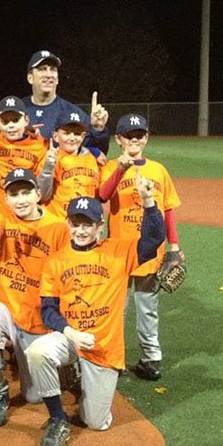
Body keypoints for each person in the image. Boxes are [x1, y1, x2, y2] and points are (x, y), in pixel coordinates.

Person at [26, 184, 165, 446]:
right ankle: (58, 418)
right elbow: (48, 310)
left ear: (99, 226)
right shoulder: (56, 261)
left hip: (103, 348)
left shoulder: (118, 251)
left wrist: (148, 203)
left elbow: (153, 239)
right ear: (68, 224)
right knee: (37, 352)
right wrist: (70, 333)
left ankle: (82, 379)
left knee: (96, 423)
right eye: (76, 224)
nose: (80, 230)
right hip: (70, 338)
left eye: (87, 224)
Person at [0, 168, 70, 427]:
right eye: (13, 194)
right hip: (5, 303)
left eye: (26, 192)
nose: (21, 199)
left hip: (38, 315)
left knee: (34, 397)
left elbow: (67, 274)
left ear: (39, 194)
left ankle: (63, 365)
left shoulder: (58, 227)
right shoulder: (5, 218)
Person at [99, 114, 182, 380]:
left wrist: (174, 246)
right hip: (118, 250)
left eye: (139, 135)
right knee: (116, 308)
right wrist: (121, 168)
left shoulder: (158, 170)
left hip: (150, 250)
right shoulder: (111, 165)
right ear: (118, 139)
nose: (134, 140)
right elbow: (102, 194)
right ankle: (115, 357)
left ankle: (151, 358)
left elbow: (168, 210)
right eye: (128, 135)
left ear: (146, 138)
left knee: (147, 307)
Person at [22, 50, 110, 159]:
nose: (49, 75)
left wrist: (98, 129)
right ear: (30, 78)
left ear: (57, 79)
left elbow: (99, 155)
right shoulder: (17, 112)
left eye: (53, 70)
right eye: (42, 69)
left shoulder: (74, 113)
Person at [0, 95, 48, 217]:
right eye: (5, 121)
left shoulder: (40, 145)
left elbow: (41, 184)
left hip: (24, 212)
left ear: (26, 120)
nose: (11, 125)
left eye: (15, 120)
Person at [38, 107, 100, 220]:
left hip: (84, 223)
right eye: (66, 133)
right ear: (56, 136)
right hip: (58, 221)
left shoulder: (91, 159)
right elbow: (42, 196)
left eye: (77, 134)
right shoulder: (51, 158)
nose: (72, 138)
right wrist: (49, 165)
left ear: (83, 137)